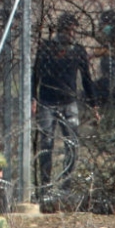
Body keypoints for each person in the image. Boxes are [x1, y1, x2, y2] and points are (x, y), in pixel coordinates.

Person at [31, 12, 100, 198]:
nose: (70, 34)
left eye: (73, 31)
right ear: (59, 30)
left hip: (70, 104)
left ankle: (65, 188)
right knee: (46, 144)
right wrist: (33, 98)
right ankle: (44, 188)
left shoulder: (78, 50)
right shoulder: (45, 48)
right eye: (67, 30)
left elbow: (87, 79)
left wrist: (94, 105)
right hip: (47, 102)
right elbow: (34, 75)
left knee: (72, 145)